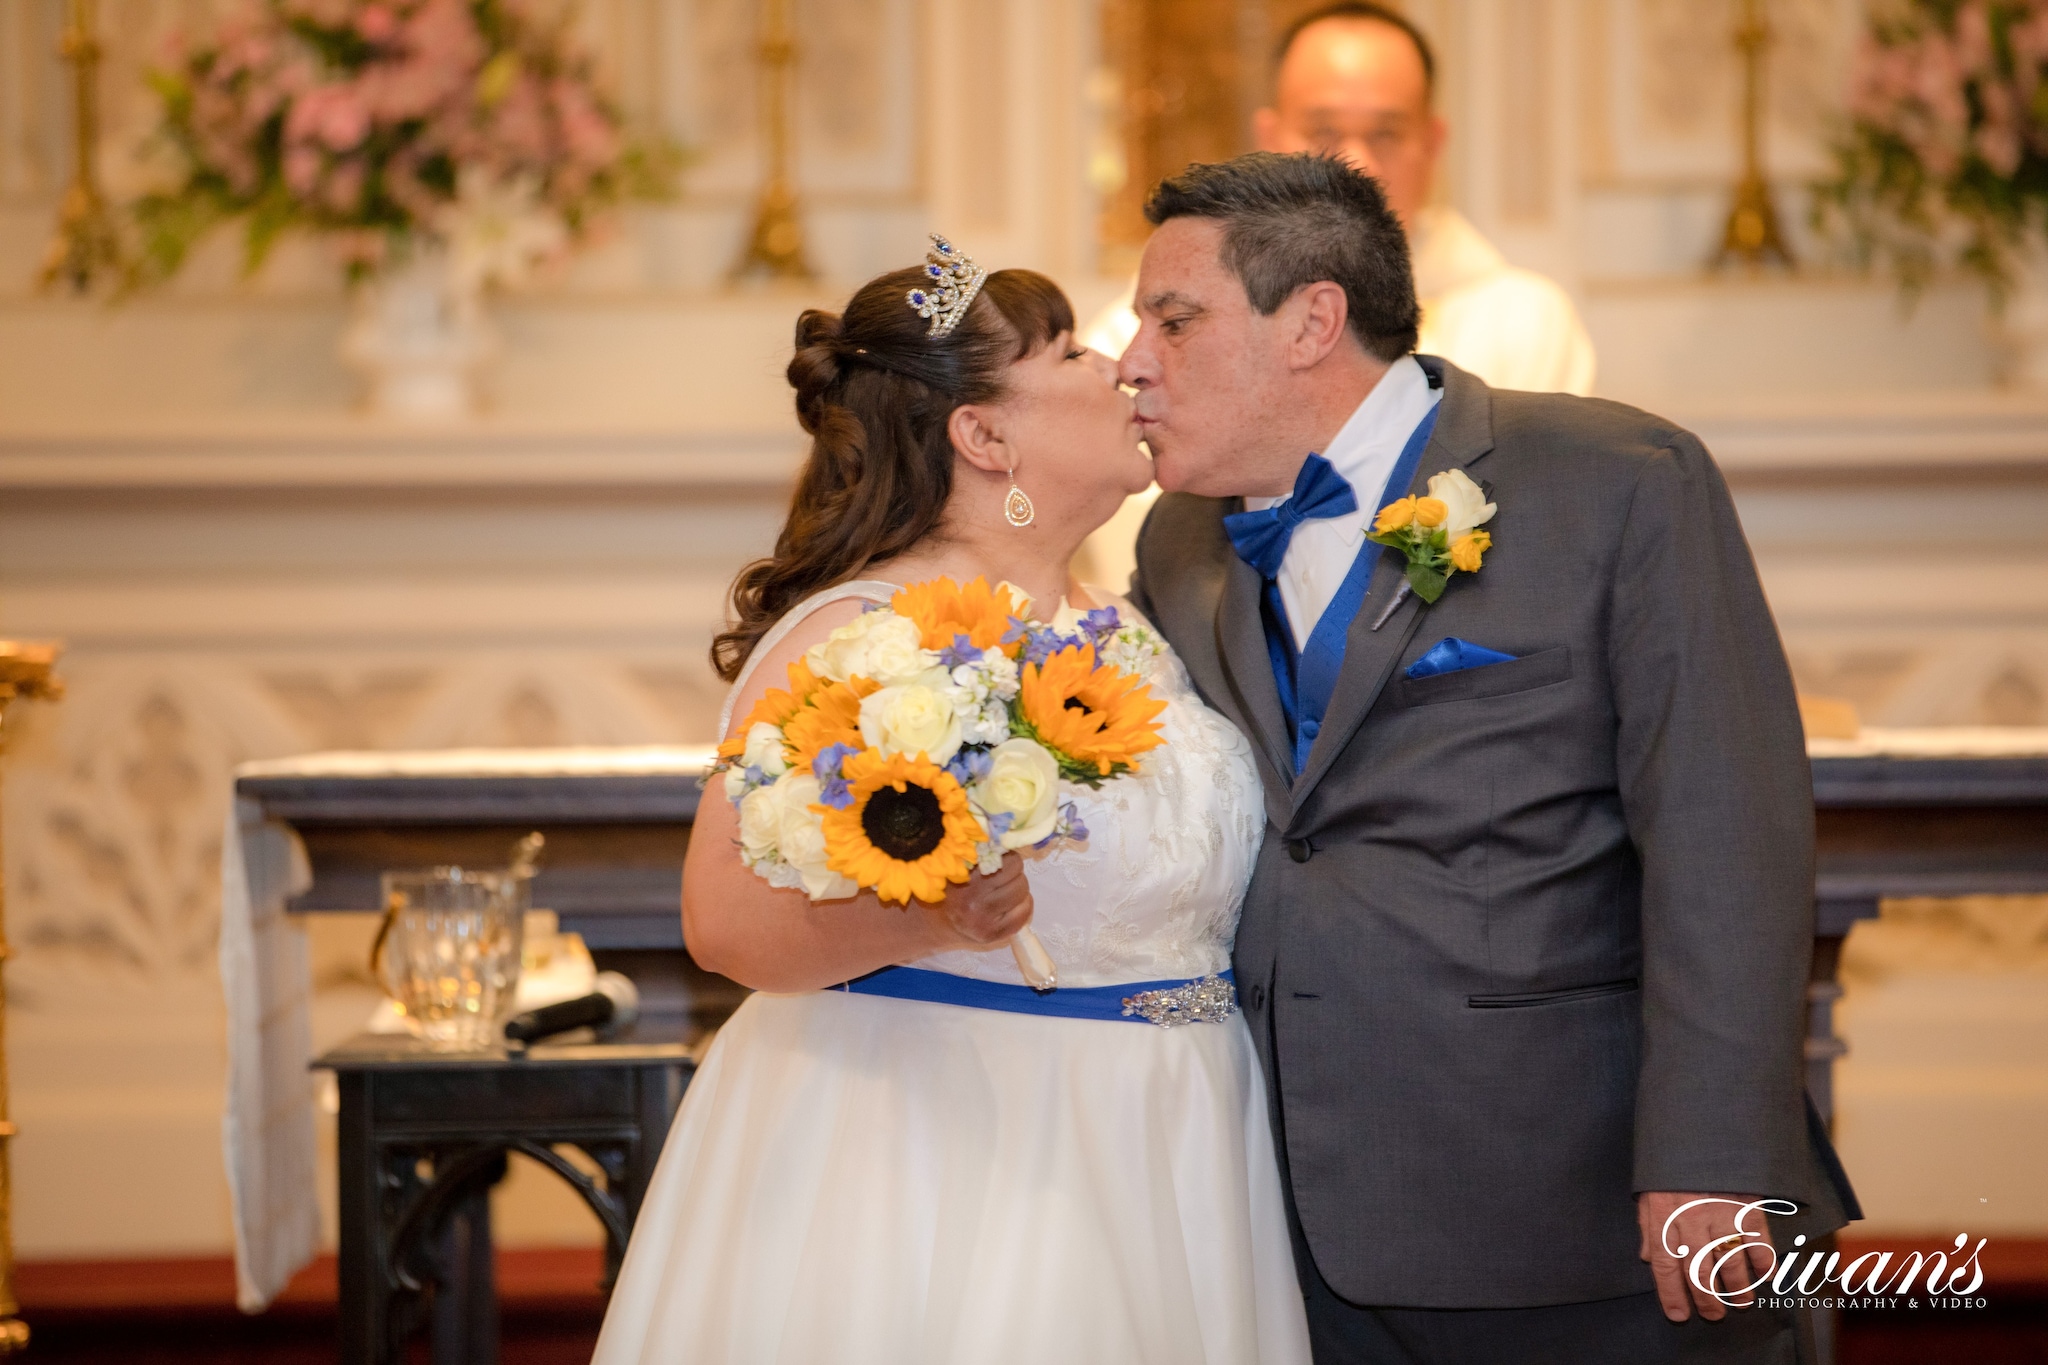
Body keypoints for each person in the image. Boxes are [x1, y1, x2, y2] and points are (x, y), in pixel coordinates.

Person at [1122, 152, 1859, 1363]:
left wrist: (1713, 1163)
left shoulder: (1616, 484)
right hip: (1277, 1214)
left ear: (1312, 319)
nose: (1132, 359)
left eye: (1174, 319)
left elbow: (1724, 834)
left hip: (1575, 1204)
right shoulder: (1179, 538)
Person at [592, 240, 1313, 1363]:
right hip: (956, 1150)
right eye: (1074, 350)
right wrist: (933, 913)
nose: (1123, 369)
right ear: (982, 436)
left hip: (1179, 1136)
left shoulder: (1136, 618)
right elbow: (722, 925)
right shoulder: (856, 637)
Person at [1081, 1, 1595, 590]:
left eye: (1387, 133)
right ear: (1270, 137)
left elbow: (1535, 531)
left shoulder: (1520, 318)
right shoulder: (1146, 329)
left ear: (1432, 141)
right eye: (1323, 132)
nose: (1356, 162)